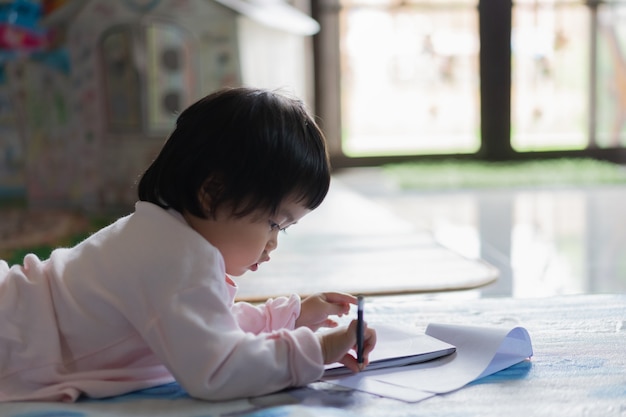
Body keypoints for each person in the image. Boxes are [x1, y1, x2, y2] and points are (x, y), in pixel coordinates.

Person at [0, 87, 376, 402]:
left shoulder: (160, 235)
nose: (273, 243)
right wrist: (320, 349)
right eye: (274, 222)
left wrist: (284, 318)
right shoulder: (173, 258)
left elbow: (198, 329)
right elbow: (218, 369)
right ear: (214, 192)